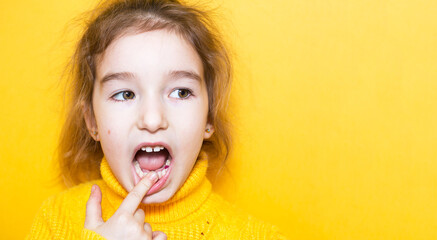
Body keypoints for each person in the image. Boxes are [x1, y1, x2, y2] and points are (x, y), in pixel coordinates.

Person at [27, 0, 287, 239]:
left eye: (181, 92)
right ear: (92, 121)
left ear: (209, 118)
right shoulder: (55, 221)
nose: (152, 120)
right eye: (125, 94)